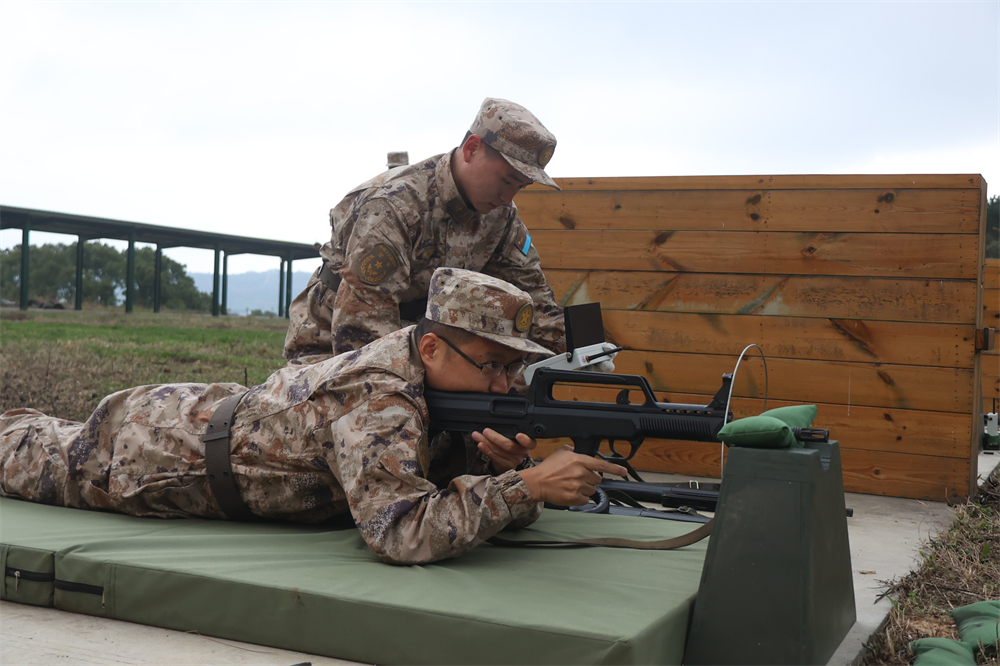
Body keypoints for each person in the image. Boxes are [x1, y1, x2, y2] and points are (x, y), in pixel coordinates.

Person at [0, 268, 626, 566]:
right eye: (492, 364)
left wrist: (499, 467)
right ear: (431, 347)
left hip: (209, 417)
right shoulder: (378, 396)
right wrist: (526, 486)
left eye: (513, 369)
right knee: (24, 450)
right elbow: (401, 532)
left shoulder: (425, 379)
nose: (503, 383)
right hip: (156, 455)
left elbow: (417, 478)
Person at [283, 97, 567, 366]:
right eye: (506, 180)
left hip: (420, 340)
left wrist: (576, 348)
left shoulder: (500, 216)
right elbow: (361, 330)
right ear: (471, 149)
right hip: (329, 345)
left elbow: (532, 297)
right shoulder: (394, 206)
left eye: (520, 187)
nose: (509, 197)